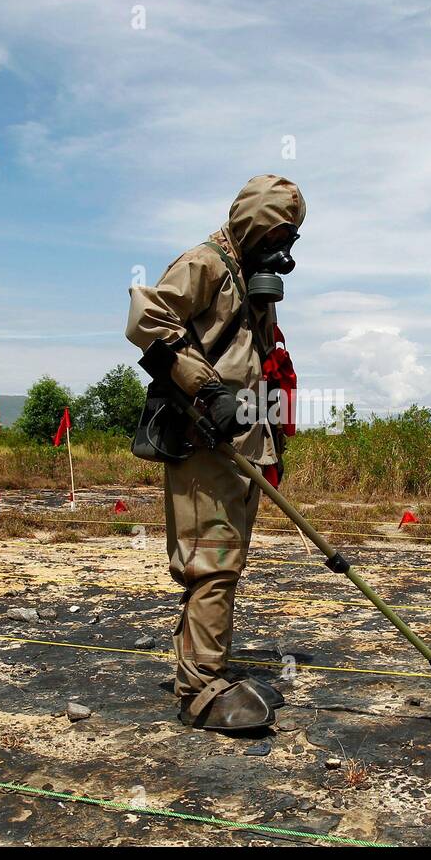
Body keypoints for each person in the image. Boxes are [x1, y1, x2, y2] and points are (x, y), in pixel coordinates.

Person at [126, 174, 305, 733]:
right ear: (253, 223)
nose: (285, 251)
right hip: (204, 439)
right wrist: (205, 388)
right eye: (278, 234)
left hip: (244, 443)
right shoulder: (204, 263)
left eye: (292, 239)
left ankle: (211, 669)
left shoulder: (250, 279)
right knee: (214, 563)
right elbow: (145, 320)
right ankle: (199, 690)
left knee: (227, 562)